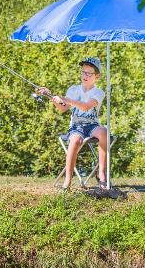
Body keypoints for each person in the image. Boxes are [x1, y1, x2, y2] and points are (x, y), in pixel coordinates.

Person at [36, 57, 107, 190]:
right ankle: (67, 181)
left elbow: (86, 106)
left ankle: (101, 173)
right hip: (76, 126)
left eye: (89, 73)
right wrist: (50, 96)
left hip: (92, 125)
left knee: (104, 132)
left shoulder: (99, 92)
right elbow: (63, 108)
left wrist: (66, 99)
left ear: (97, 76)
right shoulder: (73, 89)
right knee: (75, 141)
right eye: (83, 72)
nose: (85, 75)